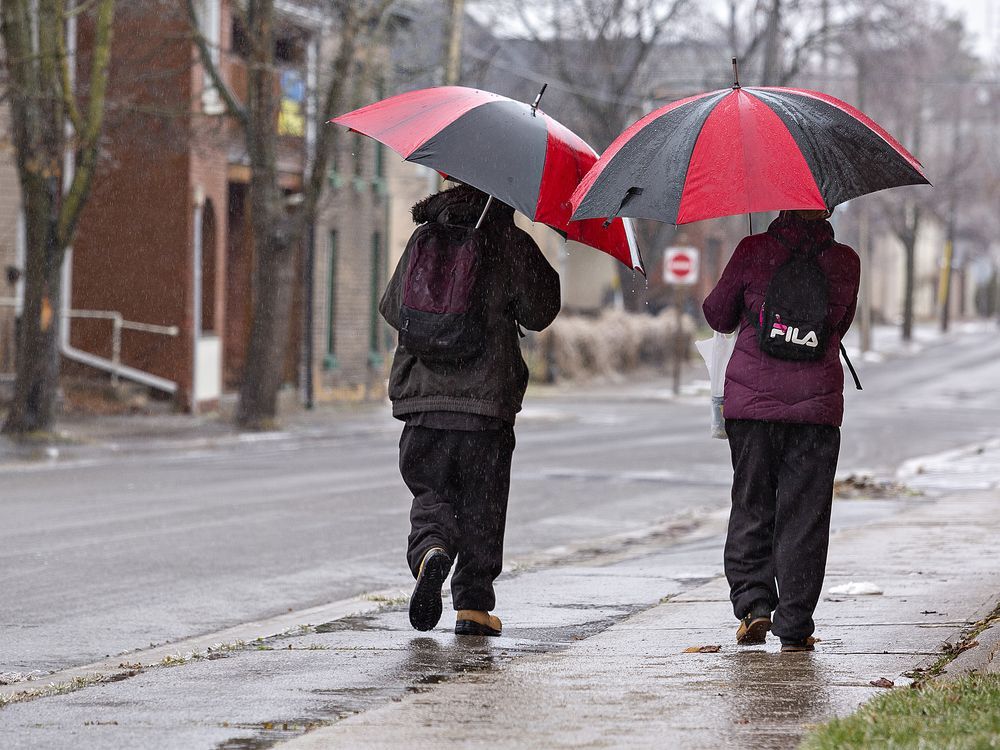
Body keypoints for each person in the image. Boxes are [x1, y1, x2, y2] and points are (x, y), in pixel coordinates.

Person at [380, 183, 560, 637]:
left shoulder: (424, 237)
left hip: (422, 399)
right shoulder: (509, 241)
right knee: (483, 503)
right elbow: (542, 312)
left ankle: (430, 550)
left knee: (431, 492)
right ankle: (474, 607)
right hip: (485, 405)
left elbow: (390, 307)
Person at [702, 209, 861, 653]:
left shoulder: (754, 251)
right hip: (817, 411)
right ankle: (795, 625)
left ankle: (754, 606)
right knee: (805, 517)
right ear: (826, 207)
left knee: (752, 502)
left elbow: (717, 314)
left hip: (753, 407)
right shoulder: (846, 261)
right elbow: (839, 324)